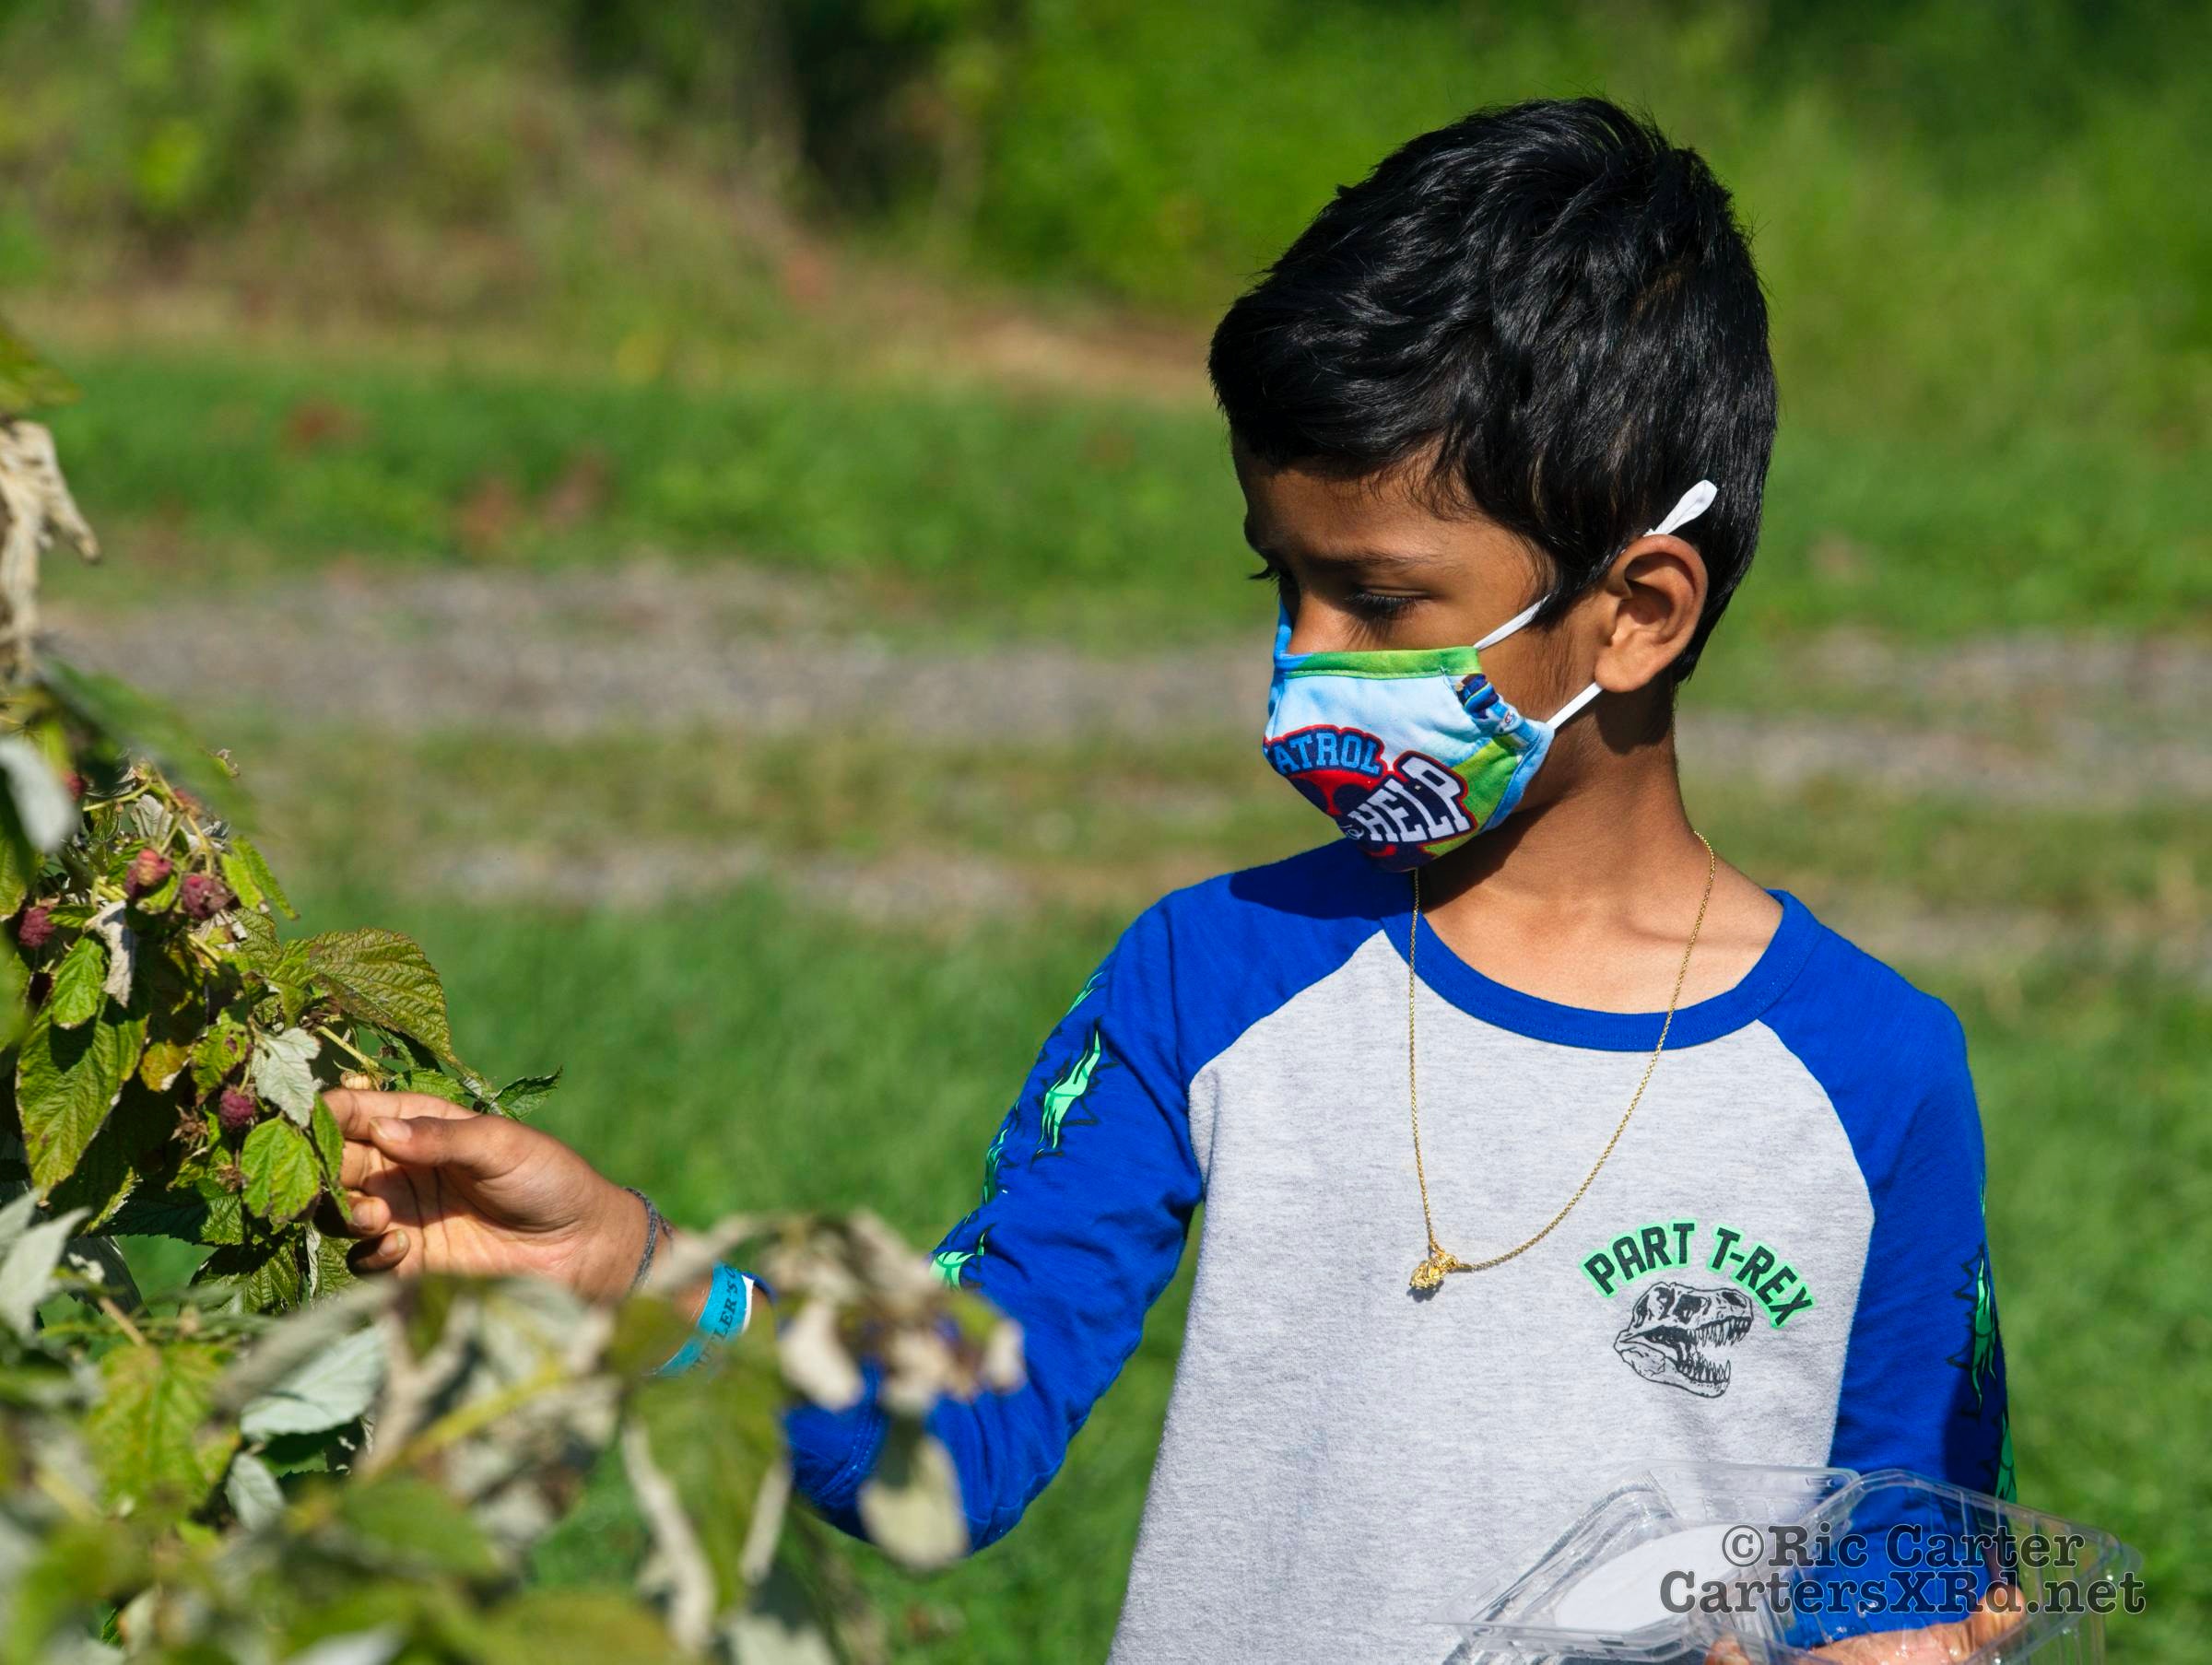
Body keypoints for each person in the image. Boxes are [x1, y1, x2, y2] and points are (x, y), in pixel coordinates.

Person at [323, 97, 2013, 1665]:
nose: (1304, 663)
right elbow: (957, 1439)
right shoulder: (1208, 979)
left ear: (1637, 612)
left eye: (1378, 602)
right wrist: (635, 1268)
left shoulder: (1872, 1074)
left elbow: (1912, 1564)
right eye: (1283, 587)